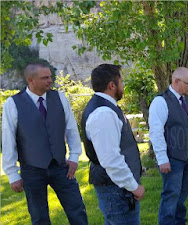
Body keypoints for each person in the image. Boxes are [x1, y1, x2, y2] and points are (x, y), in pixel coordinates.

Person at [1, 62, 88, 225]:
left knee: (77, 210)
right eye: (45, 78)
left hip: (61, 167)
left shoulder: (60, 97)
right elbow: (8, 140)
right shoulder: (12, 104)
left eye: (50, 76)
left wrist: (75, 156)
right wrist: (12, 173)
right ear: (31, 80)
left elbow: (71, 128)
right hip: (31, 169)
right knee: (39, 217)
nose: (50, 80)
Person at [81, 64, 145, 224]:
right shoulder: (103, 113)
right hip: (115, 189)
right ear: (111, 85)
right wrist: (133, 186)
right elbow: (110, 159)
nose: (123, 86)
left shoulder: (107, 108)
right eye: (121, 82)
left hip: (117, 187)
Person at [148, 67, 188, 225]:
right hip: (172, 157)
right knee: (171, 195)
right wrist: (162, 159)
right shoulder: (160, 101)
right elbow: (156, 132)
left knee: (182, 195)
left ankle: (179, 222)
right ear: (176, 81)